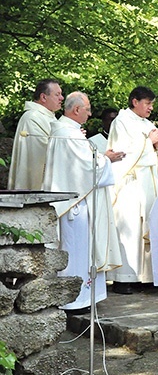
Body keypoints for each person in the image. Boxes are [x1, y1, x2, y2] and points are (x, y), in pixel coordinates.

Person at [43, 92, 124, 312]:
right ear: (76, 110)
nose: (90, 114)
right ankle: (75, 300)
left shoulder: (65, 130)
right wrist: (107, 158)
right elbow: (88, 167)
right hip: (75, 206)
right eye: (87, 109)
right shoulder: (68, 134)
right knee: (77, 251)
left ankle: (83, 297)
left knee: (81, 250)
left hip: (74, 201)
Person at [107, 86, 158, 294]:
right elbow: (122, 153)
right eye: (147, 103)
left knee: (150, 228)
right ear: (135, 102)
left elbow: (157, 154)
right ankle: (123, 279)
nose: (151, 108)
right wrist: (148, 143)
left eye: (152, 104)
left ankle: (146, 277)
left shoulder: (148, 124)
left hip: (149, 184)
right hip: (131, 184)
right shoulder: (121, 122)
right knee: (130, 230)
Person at [8, 79, 64, 190]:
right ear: (43, 97)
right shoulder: (32, 118)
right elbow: (39, 153)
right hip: (37, 184)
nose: (62, 98)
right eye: (57, 94)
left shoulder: (48, 116)